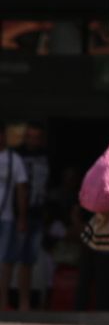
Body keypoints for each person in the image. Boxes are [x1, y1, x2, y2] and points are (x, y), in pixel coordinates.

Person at [5, 123, 48, 309]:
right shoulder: (16, 157)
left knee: (28, 259)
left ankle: (24, 302)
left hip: (37, 212)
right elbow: (19, 188)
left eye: (37, 137)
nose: (33, 141)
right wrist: (19, 215)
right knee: (9, 258)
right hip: (15, 214)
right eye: (30, 136)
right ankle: (4, 301)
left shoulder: (46, 157)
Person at [0, 129, 28, 311]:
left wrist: (22, 217)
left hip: (6, 217)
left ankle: (2, 303)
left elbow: (21, 189)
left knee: (4, 262)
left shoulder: (14, 159)